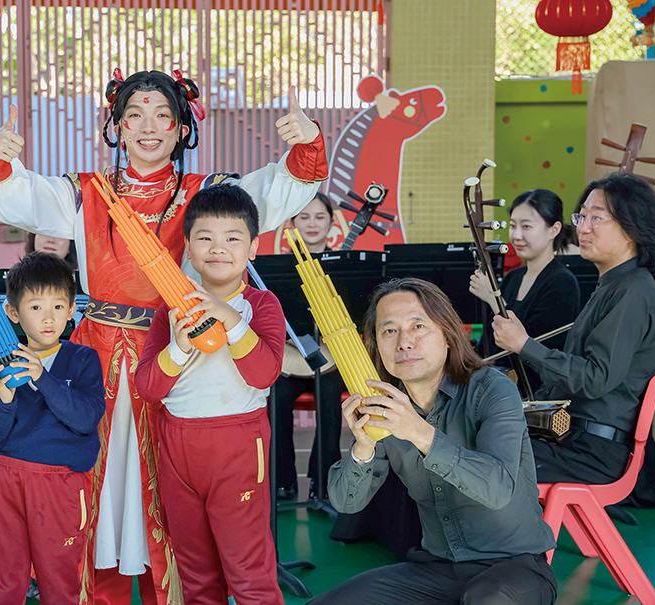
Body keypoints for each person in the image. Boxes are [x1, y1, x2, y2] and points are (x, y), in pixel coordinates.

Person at [0, 68, 327, 603]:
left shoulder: (206, 194)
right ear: (117, 124)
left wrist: (307, 145)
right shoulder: (87, 193)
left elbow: (275, 194)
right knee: (95, 485)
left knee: (169, 495)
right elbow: (13, 195)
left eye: (163, 114)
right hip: (94, 356)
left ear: (183, 127)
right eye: (134, 114)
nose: (149, 126)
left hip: (176, 350)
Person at [311, 277, 557, 605]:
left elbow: (497, 490)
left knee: (486, 600)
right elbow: (346, 504)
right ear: (376, 346)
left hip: (515, 568)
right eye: (389, 331)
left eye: (418, 326)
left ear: (447, 334)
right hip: (437, 569)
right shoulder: (386, 406)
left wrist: (418, 431)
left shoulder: (492, 389)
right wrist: (362, 448)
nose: (404, 342)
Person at [135, 184, 286, 605]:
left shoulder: (262, 304)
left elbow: (263, 375)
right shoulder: (170, 310)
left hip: (237, 445)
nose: (218, 248)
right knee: (197, 573)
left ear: (253, 247)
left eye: (233, 238)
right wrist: (179, 346)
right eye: (205, 238)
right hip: (177, 448)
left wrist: (230, 319)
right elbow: (147, 387)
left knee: (249, 571)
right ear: (188, 246)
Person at [494, 172, 655, 486]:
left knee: (478, 453)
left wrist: (524, 345)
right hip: (573, 433)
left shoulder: (631, 293)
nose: (583, 228)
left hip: (591, 451)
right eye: (582, 216)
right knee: (478, 424)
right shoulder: (613, 285)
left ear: (632, 229)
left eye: (597, 219)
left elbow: (594, 378)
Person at [0, 251, 105, 604]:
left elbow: (86, 419)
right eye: (36, 307)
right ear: (12, 312)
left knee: (59, 583)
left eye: (59, 307)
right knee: (1, 583)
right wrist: (3, 398)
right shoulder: (3, 365)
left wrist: (43, 378)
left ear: (72, 308)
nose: (49, 318)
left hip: (60, 486)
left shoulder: (82, 359)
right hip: (7, 482)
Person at [470, 189, 580, 391]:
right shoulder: (514, 277)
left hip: (535, 391)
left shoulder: (563, 283)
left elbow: (534, 348)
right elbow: (490, 345)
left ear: (553, 230)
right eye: (513, 226)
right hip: (500, 384)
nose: (517, 235)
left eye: (526, 226)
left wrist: (493, 299)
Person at [274, 192, 346, 500]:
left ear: (332, 222)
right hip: (292, 358)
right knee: (275, 393)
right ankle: (282, 480)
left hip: (331, 360)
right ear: (291, 223)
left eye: (320, 217)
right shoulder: (275, 269)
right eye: (304, 218)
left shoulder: (346, 265)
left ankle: (323, 479)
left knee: (329, 391)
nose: (313, 224)